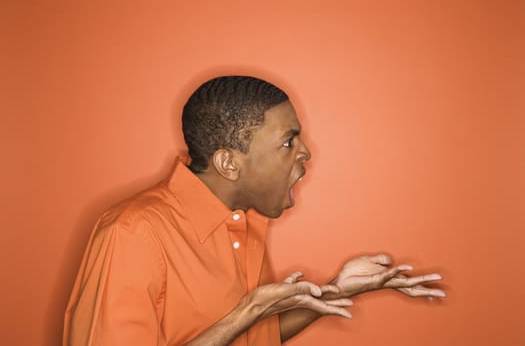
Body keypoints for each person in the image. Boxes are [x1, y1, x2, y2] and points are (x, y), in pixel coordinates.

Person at [63, 76, 446, 346]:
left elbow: (251, 336)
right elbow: (242, 323)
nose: (306, 152)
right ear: (230, 164)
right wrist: (244, 313)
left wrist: (333, 293)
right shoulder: (132, 234)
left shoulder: (242, 220)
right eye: (287, 141)